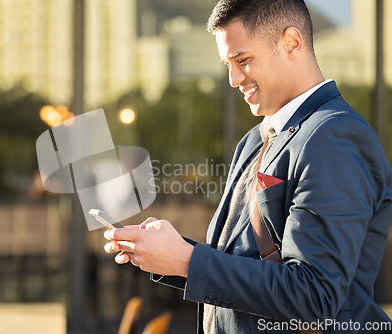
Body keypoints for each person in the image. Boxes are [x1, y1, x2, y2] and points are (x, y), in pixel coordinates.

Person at [104, 0, 392, 333]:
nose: (232, 78)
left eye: (243, 60)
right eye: (228, 63)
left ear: (292, 43)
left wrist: (187, 260)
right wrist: (172, 254)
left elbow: (316, 295)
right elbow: (246, 262)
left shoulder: (334, 137)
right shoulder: (257, 140)